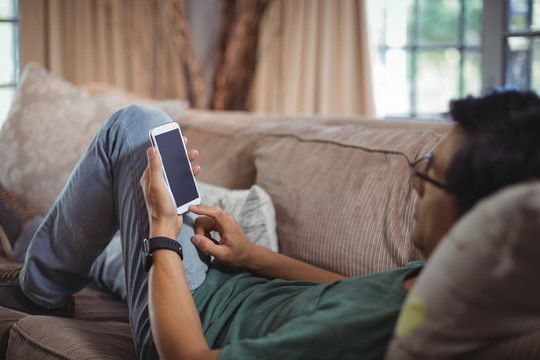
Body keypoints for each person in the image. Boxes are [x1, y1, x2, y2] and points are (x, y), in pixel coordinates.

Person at [0, 88, 539, 360]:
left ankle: (40, 288)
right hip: (220, 278)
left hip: (186, 316)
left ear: (479, 214)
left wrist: (164, 229)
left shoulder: (377, 332)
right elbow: (344, 288)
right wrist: (251, 255)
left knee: (136, 127)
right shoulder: (434, 280)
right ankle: (26, 227)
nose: (416, 185)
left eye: (432, 176)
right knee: (109, 242)